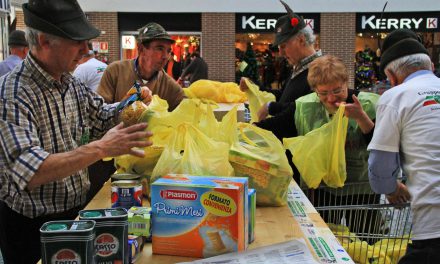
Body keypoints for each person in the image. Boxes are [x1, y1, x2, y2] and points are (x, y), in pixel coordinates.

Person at [0, 1, 153, 263]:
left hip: (76, 213)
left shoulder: (69, 82)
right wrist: (101, 148)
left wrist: (133, 101)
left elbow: (102, 116)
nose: (86, 50)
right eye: (76, 41)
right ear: (45, 41)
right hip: (31, 229)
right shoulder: (11, 95)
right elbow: (32, 171)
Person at [368, 29, 440, 263]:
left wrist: (390, 188)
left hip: (433, 224)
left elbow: (379, 167)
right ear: (430, 67)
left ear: (391, 75)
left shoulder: (396, 96)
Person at [297, 55, 380, 234]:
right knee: (326, 235)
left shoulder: (368, 104)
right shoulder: (308, 107)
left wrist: (360, 117)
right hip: (325, 190)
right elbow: (282, 121)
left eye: (337, 90)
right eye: (323, 93)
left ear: (346, 82)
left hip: (361, 188)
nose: (331, 99)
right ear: (315, 91)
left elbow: (380, 145)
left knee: (366, 239)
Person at [240, 1, 322, 139]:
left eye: (284, 46)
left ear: (301, 40)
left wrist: (262, 121)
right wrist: (254, 86)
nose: (281, 53)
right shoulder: (299, 67)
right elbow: (283, 96)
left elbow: (298, 111)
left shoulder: (321, 71)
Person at [97, 22, 185, 111]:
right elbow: (99, 111)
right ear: (141, 49)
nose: (165, 56)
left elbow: (188, 107)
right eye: (159, 49)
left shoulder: (169, 85)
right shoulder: (115, 71)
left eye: (168, 51)